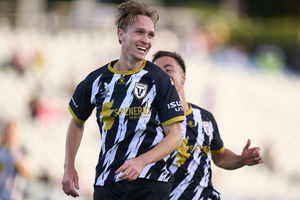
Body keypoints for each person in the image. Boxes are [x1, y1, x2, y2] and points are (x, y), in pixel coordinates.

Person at [61, 1, 184, 200]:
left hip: (151, 181)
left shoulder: (159, 79)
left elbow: (175, 135)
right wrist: (69, 166)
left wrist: (142, 161)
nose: (146, 40)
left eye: (151, 34)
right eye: (139, 32)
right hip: (108, 181)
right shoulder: (96, 80)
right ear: (121, 34)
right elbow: (76, 122)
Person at [152, 50, 264, 200]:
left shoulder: (204, 117)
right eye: (157, 72)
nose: (163, 75)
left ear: (183, 77)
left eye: (168, 69)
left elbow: (220, 157)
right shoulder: (148, 120)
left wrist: (241, 159)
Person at [0, 120, 30, 200]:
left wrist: (17, 160)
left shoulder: (22, 152)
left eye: (12, 132)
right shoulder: (1, 150)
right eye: (8, 130)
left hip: (13, 196)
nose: (10, 134)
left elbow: (28, 174)